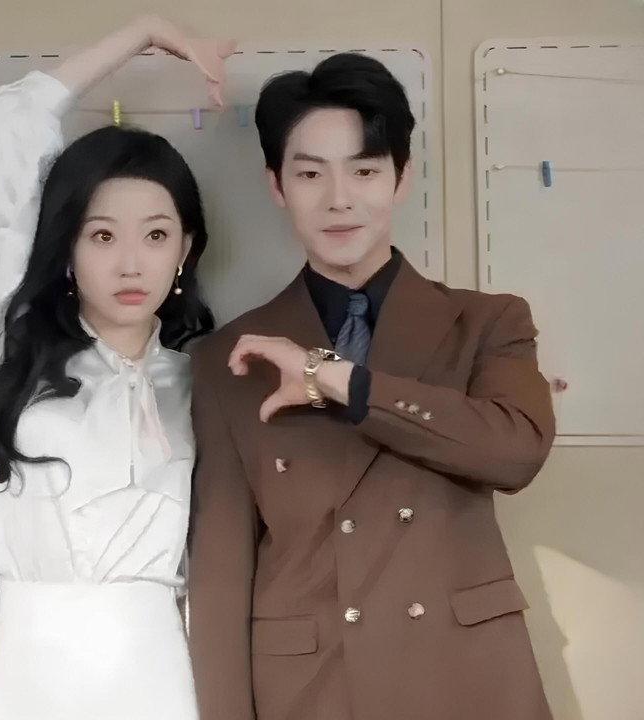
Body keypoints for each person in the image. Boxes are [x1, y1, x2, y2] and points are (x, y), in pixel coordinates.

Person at [186, 53, 556, 720]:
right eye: (310, 173)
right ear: (277, 185)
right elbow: (220, 575)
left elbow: (515, 453)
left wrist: (338, 381)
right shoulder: (231, 357)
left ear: (401, 178)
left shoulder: (487, 322)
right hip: (313, 689)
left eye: (364, 170)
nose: (339, 199)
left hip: (462, 679)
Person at [0, 15, 234, 720]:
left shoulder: (203, 382)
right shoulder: (18, 345)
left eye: (156, 235)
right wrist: (143, 31)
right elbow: (10, 128)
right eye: (102, 235)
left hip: (158, 676)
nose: (131, 263)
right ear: (68, 248)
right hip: (28, 677)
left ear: (185, 250)